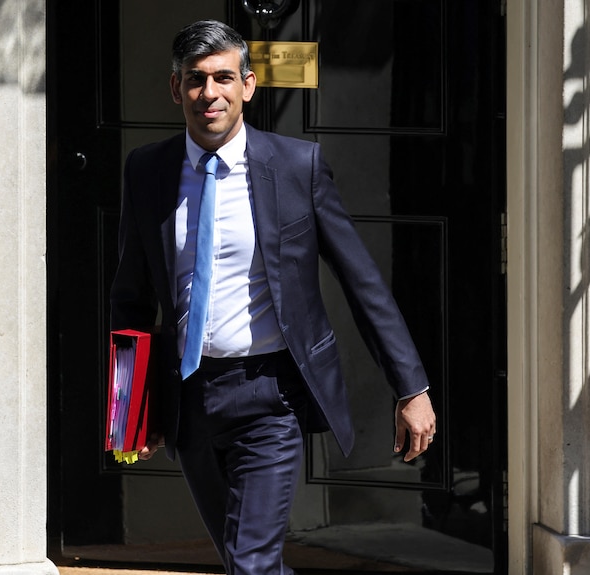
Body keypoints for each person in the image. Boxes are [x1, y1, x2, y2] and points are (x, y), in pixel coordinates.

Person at [110, 19, 437, 575]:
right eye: (194, 80)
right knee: (247, 564)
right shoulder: (147, 170)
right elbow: (131, 299)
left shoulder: (296, 166)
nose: (208, 93)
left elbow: (363, 282)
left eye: (221, 78)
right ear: (175, 89)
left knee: (252, 564)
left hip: (269, 397)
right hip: (188, 401)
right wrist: (130, 410)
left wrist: (412, 387)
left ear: (248, 84)